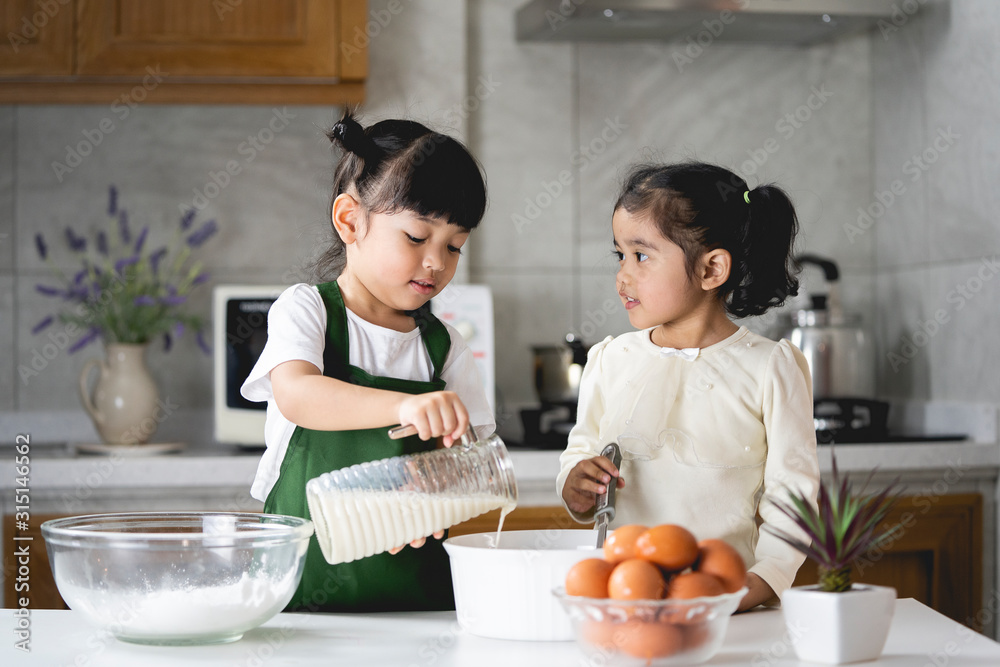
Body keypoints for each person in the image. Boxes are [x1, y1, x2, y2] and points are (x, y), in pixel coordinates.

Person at [242, 110, 495, 612]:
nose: (437, 262)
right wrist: (404, 407)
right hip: (296, 601)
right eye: (417, 238)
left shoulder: (443, 345)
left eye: (455, 246)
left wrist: (438, 492)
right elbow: (298, 395)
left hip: (416, 602)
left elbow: (477, 458)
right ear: (350, 220)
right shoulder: (306, 309)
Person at [557, 162, 820, 612]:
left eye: (641, 255)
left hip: (726, 606)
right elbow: (581, 450)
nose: (623, 275)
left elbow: (792, 497)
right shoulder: (610, 361)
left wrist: (764, 582)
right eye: (619, 255)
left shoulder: (769, 368)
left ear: (711, 268)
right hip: (626, 603)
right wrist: (575, 486)